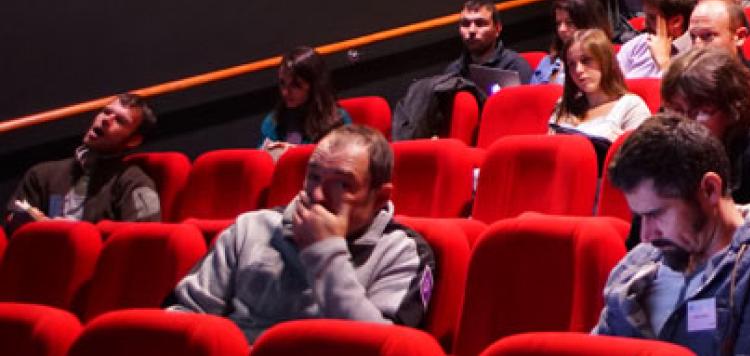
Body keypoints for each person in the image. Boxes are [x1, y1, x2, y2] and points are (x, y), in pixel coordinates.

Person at [168, 126, 434, 342]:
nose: (317, 195)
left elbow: (381, 347)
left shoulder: (404, 251)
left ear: (379, 197)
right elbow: (185, 315)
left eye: (342, 184)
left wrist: (327, 255)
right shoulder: (250, 228)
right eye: (314, 177)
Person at [592, 113, 750, 353]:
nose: (646, 235)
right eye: (640, 217)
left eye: (657, 214)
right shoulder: (637, 262)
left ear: (709, 190)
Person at [659, 47, 750, 222]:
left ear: (733, 111)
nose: (685, 122)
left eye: (701, 111)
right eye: (676, 110)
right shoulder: (665, 156)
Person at [7, 94, 162, 231]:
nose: (107, 120)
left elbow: (143, 239)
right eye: (106, 112)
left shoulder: (136, 184)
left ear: (133, 140)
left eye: (120, 120)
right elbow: (11, 221)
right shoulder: (42, 174)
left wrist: (80, 232)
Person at [684, 0, 750, 128]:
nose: (697, 46)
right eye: (693, 37)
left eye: (708, 36)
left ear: (740, 37)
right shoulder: (685, 79)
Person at [551, 29, 652, 142]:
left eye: (586, 60)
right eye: (572, 64)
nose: (578, 70)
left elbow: (641, 155)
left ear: (605, 61)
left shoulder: (631, 106)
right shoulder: (564, 105)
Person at [262, 47, 352, 158]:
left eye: (295, 85)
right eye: (282, 83)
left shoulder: (337, 120)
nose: (285, 92)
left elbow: (343, 160)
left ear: (315, 87)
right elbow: (260, 160)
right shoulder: (274, 121)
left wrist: (295, 154)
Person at [444, 0, 535, 89]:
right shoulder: (453, 72)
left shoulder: (516, 67)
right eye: (465, 24)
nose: (471, 30)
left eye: (480, 23)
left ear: (497, 29)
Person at [531, 0, 612, 85]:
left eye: (569, 23)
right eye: (558, 23)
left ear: (588, 23)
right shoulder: (547, 63)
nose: (561, 29)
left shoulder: (607, 60)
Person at [618, 0, 697, 79]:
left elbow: (684, 92)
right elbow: (612, 85)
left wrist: (664, 61)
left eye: (652, 18)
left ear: (676, 21)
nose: (644, 24)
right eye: (645, 16)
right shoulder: (637, 45)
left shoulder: (695, 54)